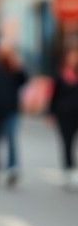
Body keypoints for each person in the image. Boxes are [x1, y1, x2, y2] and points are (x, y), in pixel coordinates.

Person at [0, 43, 28, 186]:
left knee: (11, 138)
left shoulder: (13, 68)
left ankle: (12, 168)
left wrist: (18, 67)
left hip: (11, 110)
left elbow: (24, 81)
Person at [49, 43, 78, 189]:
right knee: (67, 143)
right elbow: (54, 95)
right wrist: (50, 113)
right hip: (64, 114)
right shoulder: (60, 75)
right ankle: (68, 170)